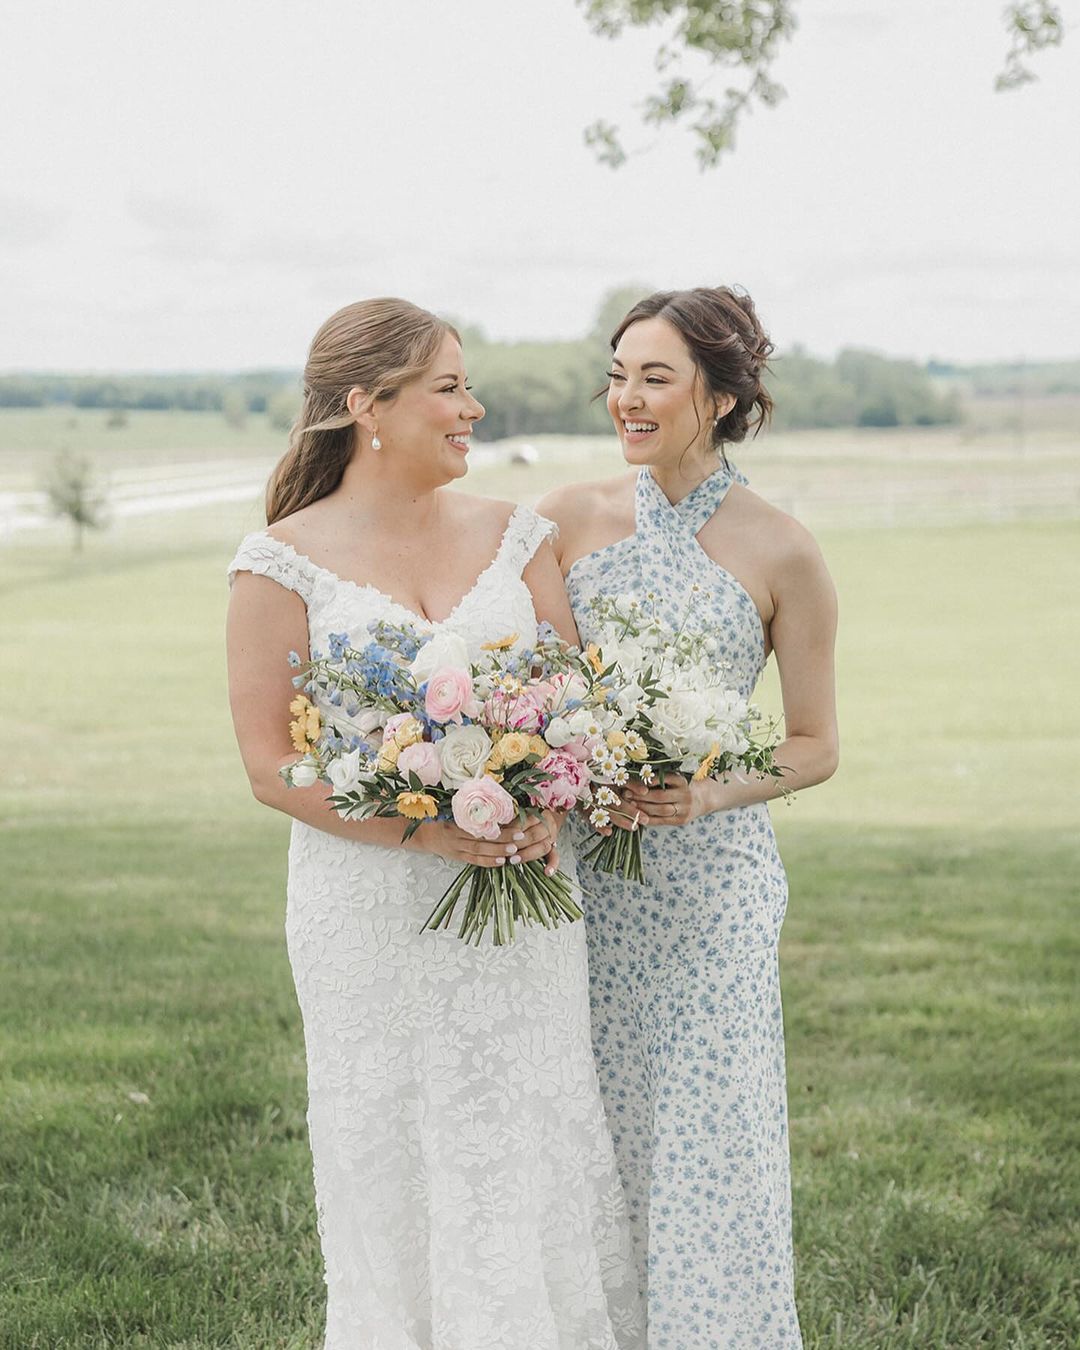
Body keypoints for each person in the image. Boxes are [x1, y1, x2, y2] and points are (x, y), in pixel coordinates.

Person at [225, 298, 643, 1350]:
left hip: (523, 907)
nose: (474, 408)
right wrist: (426, 831)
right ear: (368, 405)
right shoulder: (278, 563)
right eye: (449, 388)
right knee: (388, 1143)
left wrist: (545, 802)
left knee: (527, 1133)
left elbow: (576, 702)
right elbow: (272, 765)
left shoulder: (518, 536)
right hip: (366, 913)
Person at [538, 286, 839, 1348]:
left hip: (715, 894)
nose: (626, 397)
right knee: (592, 1127)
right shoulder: (565, 520)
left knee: (713, 1138)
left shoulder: (784, 549)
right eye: (618, 375)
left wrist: (709, 790)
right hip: (583, 881)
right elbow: (522, 685)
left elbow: (815, 744)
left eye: (655, 378)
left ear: (718, 397)